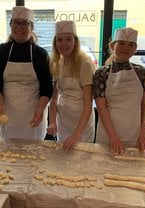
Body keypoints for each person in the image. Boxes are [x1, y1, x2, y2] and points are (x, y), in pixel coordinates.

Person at [0, 6, 53, 139]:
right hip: (8, 115)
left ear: (32, 27)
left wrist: (40, 109)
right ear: (10, 25)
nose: (19, 27)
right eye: (15, 22)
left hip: (34, 116)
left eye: (24, 23)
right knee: (8, 154)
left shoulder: (40, 54)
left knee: (34, 154)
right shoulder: (0, 52)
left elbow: (47, 88)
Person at [93, 27, 145, 155]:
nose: (126, 48)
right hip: (107, 136)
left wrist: (143, 135)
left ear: (135, 49)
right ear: (113, 46)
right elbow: (102, 108)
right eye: (121, 44)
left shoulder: (142, 73)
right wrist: (113, 137)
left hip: (135, 135)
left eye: (130, 45)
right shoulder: (101, 73)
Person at [47, 20, 96, 150]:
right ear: (55, 43)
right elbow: (54, 98)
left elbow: (88, 105)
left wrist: (76, 135)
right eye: (60, 40)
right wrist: (52, 121)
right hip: (63, 120)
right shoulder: (57, 64)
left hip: (82, 123)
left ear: (75, 42)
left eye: (68, 39)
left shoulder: (85, 64)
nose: (64, 44)